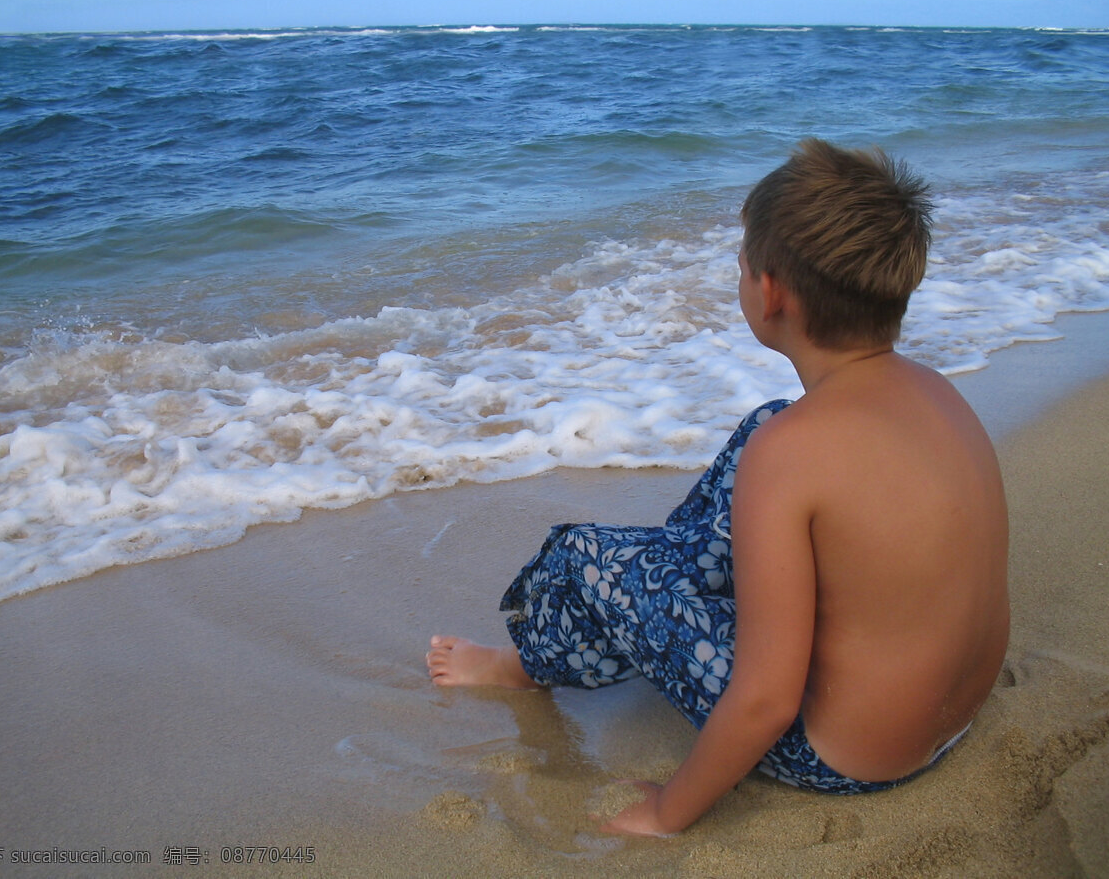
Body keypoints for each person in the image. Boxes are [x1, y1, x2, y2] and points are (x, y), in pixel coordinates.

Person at [426, 138, 1010, 837]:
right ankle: (679, 572)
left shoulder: (793, 454)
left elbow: (766, 701)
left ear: (770, 293)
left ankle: (521, 667)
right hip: (950, 720)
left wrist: (667, 812)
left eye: (741, 265)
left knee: (584, 556)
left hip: (842, 758)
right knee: (768, 424)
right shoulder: (936, 392)